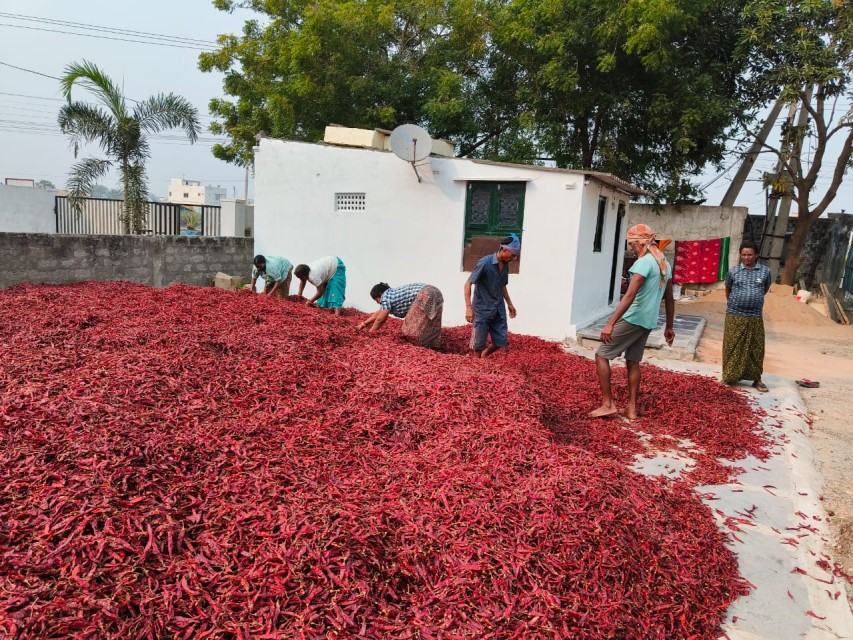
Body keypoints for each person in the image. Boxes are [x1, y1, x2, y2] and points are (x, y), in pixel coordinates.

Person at [589, 224, 675, 420]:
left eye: (632, 244)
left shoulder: (644, 262)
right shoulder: (664, 263)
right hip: (649, 320)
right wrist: (669, 326)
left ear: (640, 243)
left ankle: (607, 404)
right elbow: (669, 298)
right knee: (633, 361)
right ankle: (631, 409)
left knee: (601, 355)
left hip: (634, 317)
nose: (632, 248)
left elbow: (629, 296)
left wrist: (610, 323)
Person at [722, 240, 772, 392]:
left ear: (756, 255)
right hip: (735, 314)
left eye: (750, 254)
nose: (746, 257)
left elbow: (765, 288)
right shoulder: (733, 271)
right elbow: (728, 289)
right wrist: (737, 301)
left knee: (756, 347)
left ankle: (756, 379)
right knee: (732, 345)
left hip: (755, 315)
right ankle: (729, 376)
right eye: (743, 254)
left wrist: (753, 299)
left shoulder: (765, 272)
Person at [464, 234, 519, 357]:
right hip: (482, 309)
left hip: (498, 309)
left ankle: (485, 354)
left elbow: (502, 285)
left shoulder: (505, 265)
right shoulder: (484, 263)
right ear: (504, 250)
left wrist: (510, 304)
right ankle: (476, 365)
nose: (514, 258)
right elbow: (468, 284)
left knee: (501, 341)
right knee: (478, 344)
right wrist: (468, 307)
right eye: (513, 254)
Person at [357, 282, 445, 348]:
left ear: (380, 295)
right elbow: (378, 313)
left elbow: (380, 319)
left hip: (425, 294)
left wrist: (370, 334)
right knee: (431, 323)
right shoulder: (392, 293)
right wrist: (364, 324)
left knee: (411, 325)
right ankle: (431, 346)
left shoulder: (385, 297)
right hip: (436, 292)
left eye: (376, 300)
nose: (378, 303)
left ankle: (415, 347)